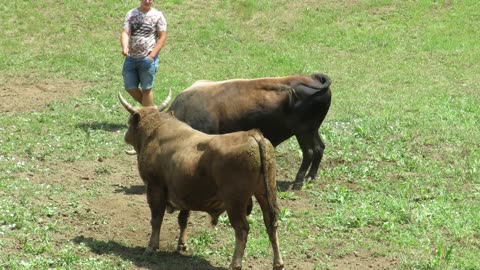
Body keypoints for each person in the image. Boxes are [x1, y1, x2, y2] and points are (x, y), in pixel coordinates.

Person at [121, 0, 167, 107]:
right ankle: (151, 111)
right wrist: (125, 47)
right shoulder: (131, 14)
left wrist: (151, 56)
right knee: (130, 87)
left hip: (147, 59)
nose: (147, 1)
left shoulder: (158, 16)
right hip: (131, 58)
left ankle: (148, 117)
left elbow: (162, 37)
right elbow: (125, 32)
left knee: (146, 89)